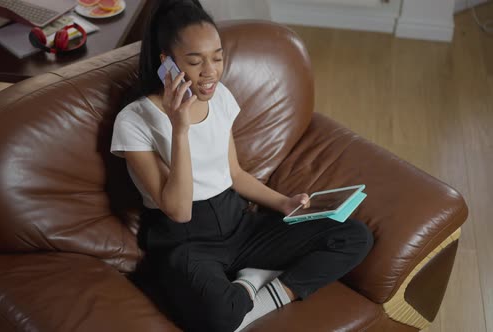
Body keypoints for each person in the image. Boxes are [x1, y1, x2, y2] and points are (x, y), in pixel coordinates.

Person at [110, 0, 374, 331]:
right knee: (219, 316)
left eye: (217, 57)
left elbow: (233, 173)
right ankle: (252, 283)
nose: (211, 72)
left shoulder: (219, 97)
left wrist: (284, 203)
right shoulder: (134, 120)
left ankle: (255, 284)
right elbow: (178, 210)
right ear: (167, 63)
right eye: (195, 61)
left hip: (240, 225)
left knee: (353, 236)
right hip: (185, 242)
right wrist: (180, 129)